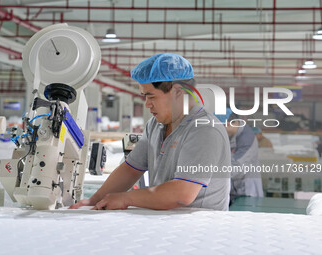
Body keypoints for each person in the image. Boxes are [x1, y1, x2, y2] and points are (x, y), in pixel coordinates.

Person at [70, 53, 231, 211]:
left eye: (151, 97)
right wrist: (93, 200)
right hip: (167, 222)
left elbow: (182, 193)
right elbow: (131, 168)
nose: (147, 104)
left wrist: (126, 198)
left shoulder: (204, 129)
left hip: (200, 227)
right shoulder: (155, 125)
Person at [215, 109, 264, 203]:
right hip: (233, 189)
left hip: (247, 192)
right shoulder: (230, 135)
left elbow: (237, 168)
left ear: (228, 124)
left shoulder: (246, 138)